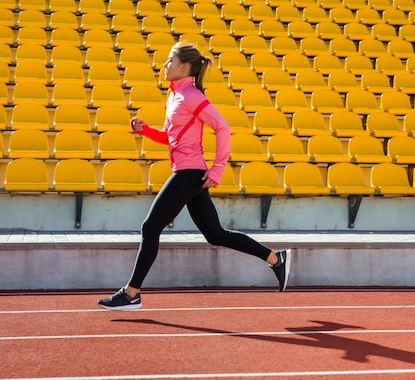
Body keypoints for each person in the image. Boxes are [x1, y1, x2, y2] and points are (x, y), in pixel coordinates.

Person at [98, 42, 292, 310]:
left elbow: (222, 128)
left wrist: (218, 168)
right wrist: (146, 131)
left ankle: (131, 293)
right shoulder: (175, 96)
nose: (164, 65)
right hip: (189, 171)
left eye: (169, 60)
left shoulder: (191, 96)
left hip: (191, 172)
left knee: (150, 227)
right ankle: (275, 259)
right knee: (215, 234)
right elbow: (170, 137)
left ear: (184, 66)